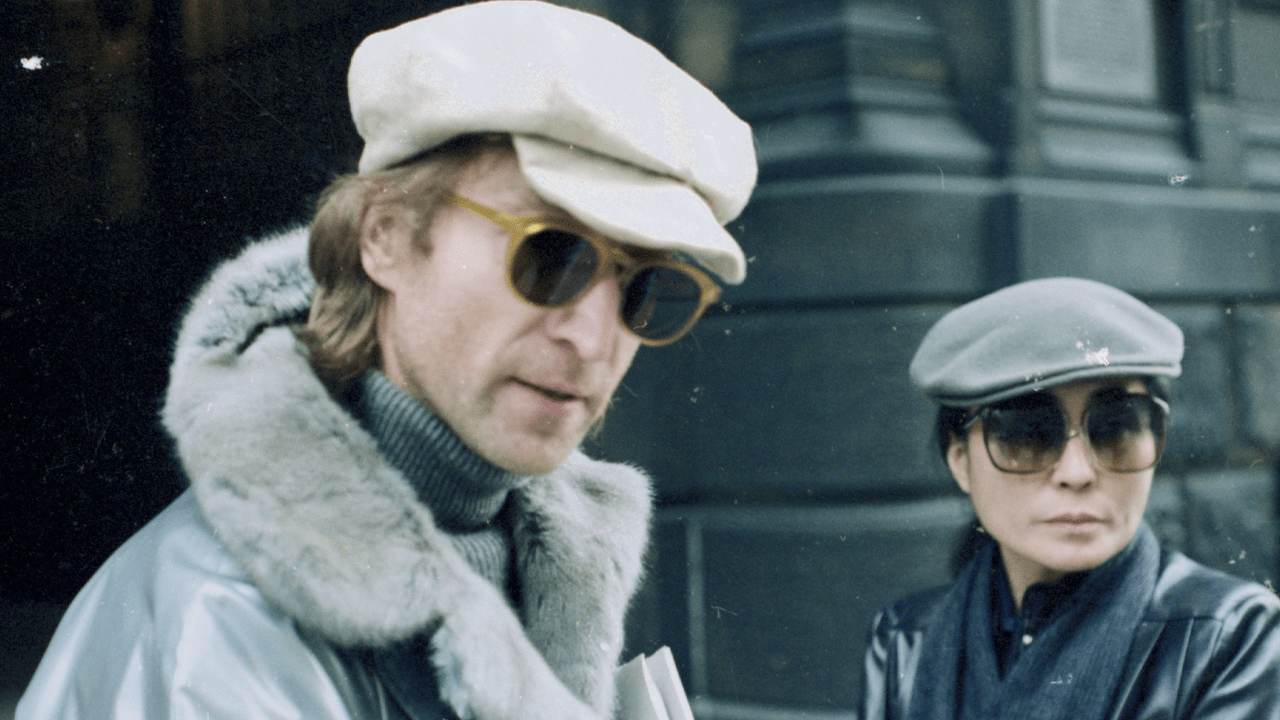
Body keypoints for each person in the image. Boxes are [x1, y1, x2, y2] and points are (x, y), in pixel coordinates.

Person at [17, 2, 756, 719]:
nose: (593, 341)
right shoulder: (221, 619)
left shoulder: (540, 566)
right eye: (550, 256)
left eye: (642, 286)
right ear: (387, 237)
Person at [858, 277, 1280, 720]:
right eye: (1027, 433)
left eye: (1116, 427)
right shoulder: (904, 641)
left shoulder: (1229, 639)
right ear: (961, 462)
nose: (1076, 474)